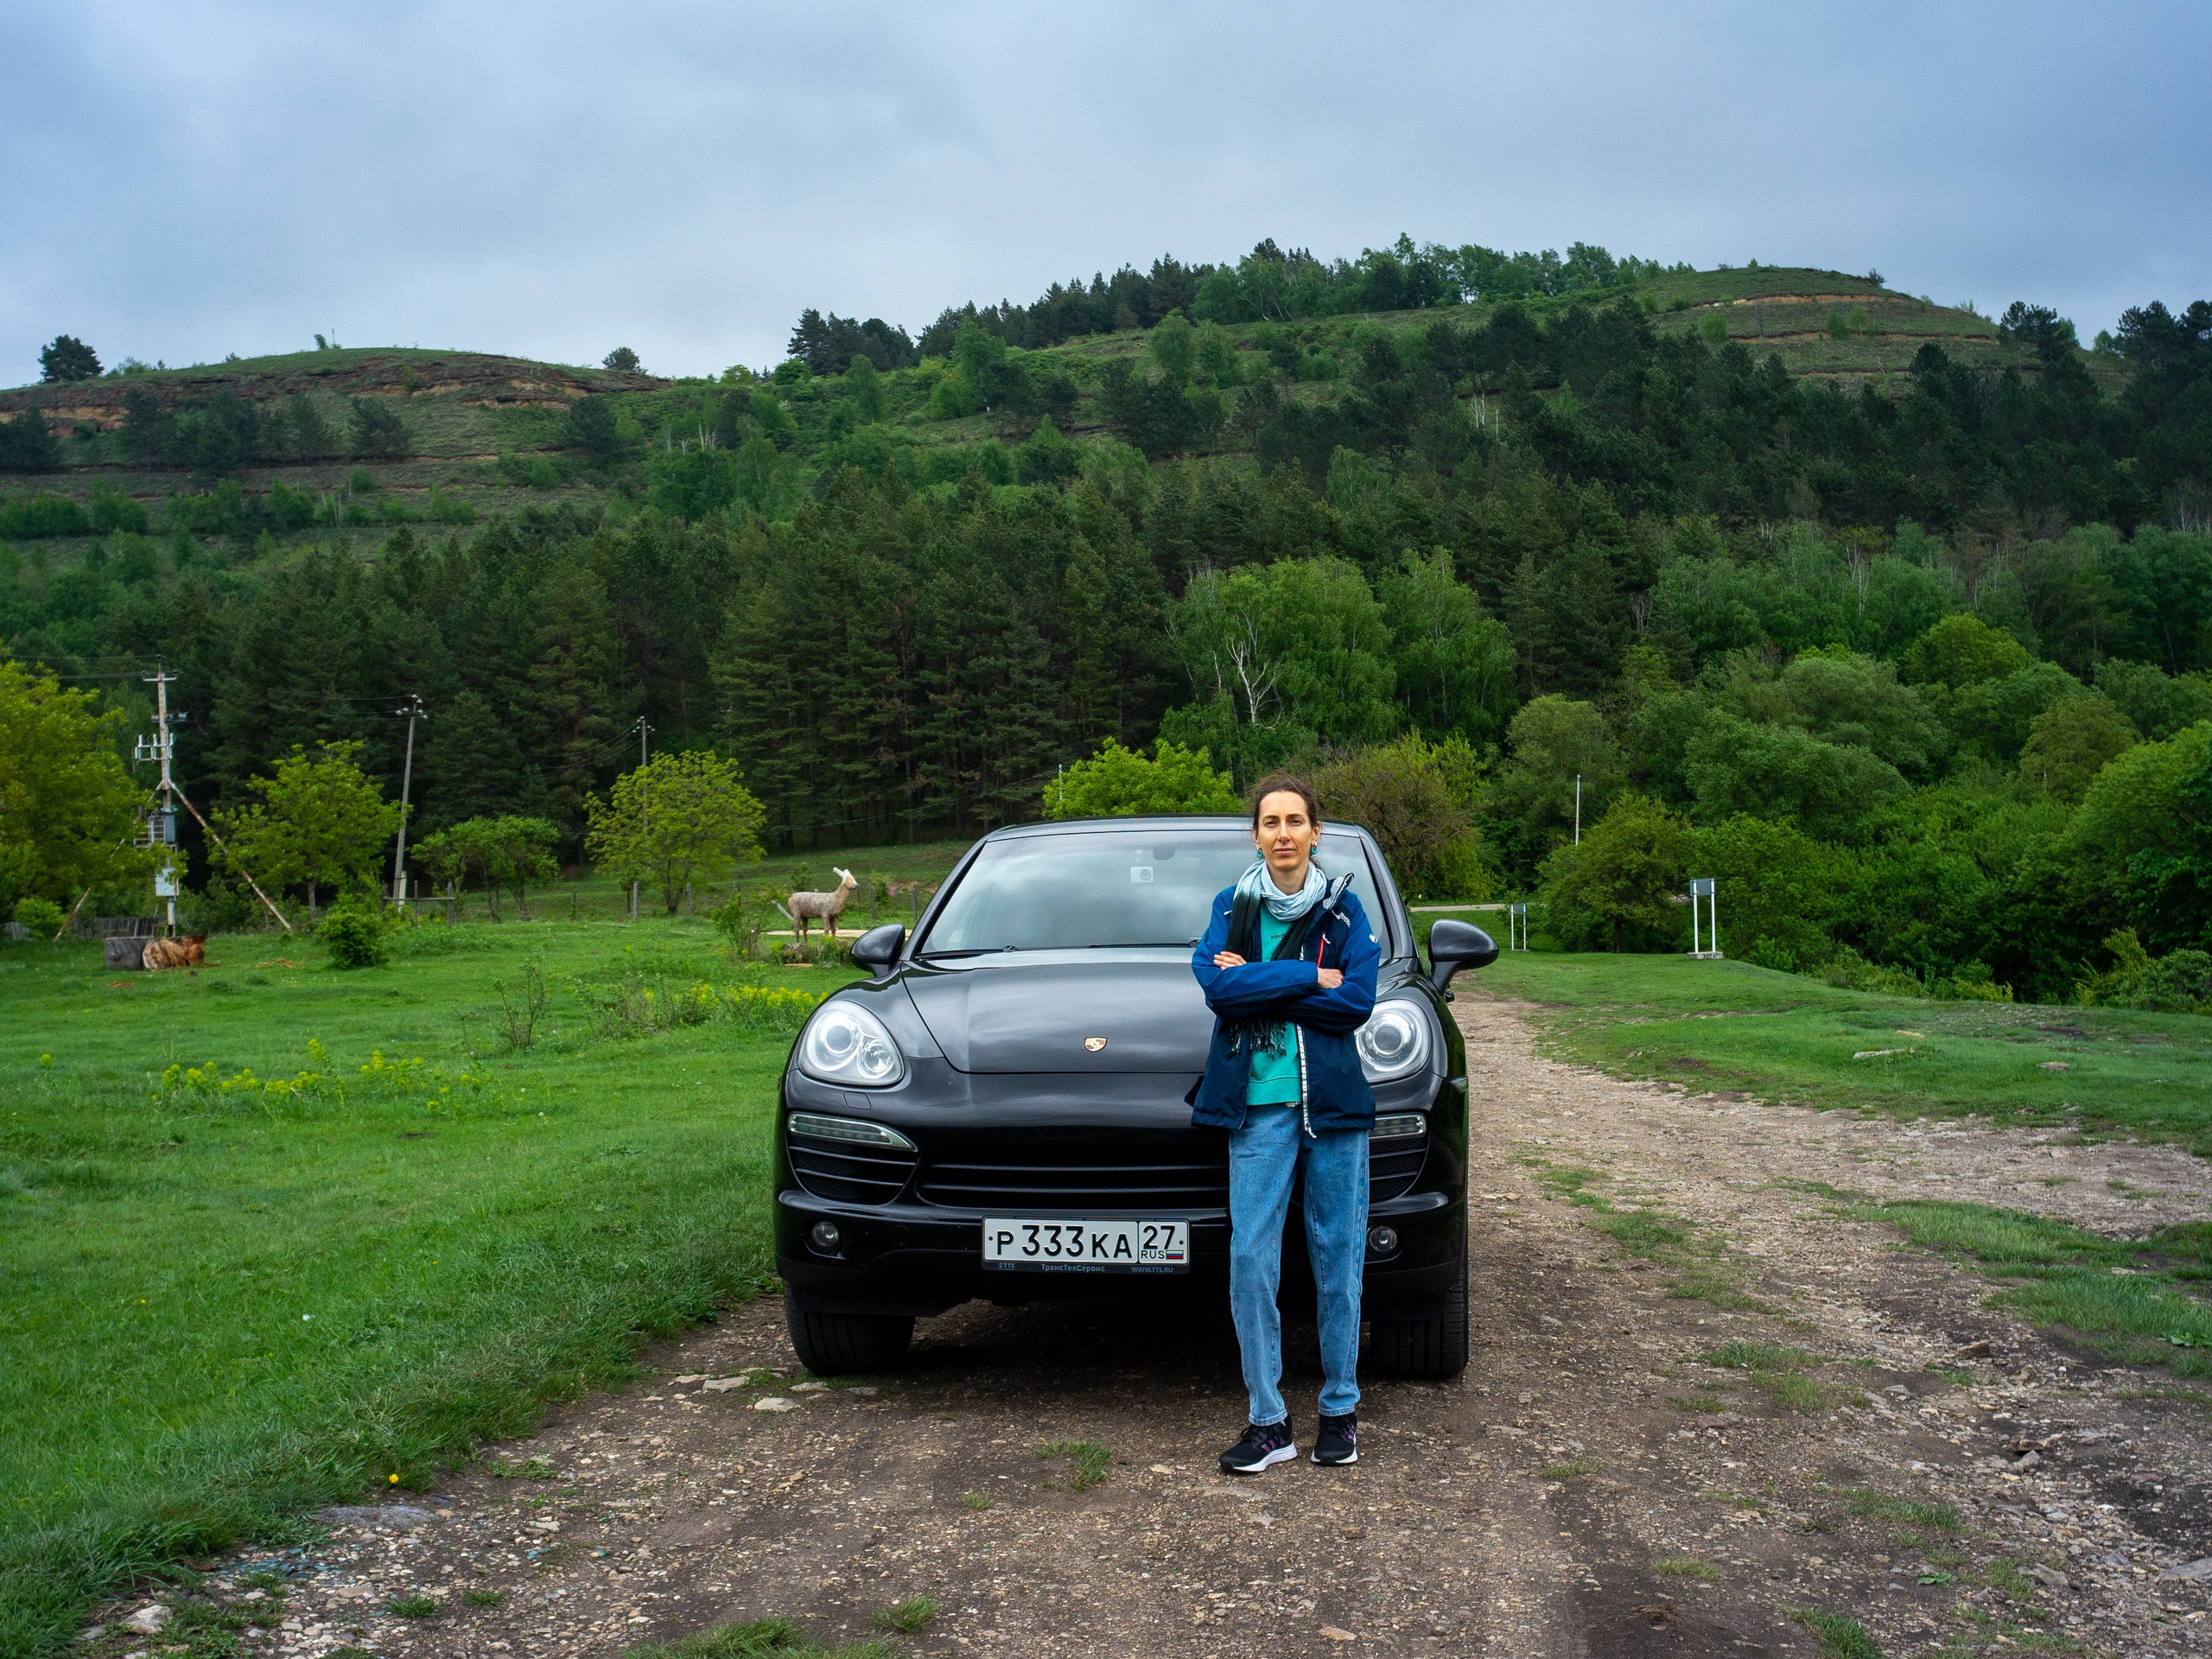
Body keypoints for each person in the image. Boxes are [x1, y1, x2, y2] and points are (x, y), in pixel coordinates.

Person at [1188, 775, 1381, 1473]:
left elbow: (1357, 1000)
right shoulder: (1229, 906)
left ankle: (1340, 1410)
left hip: (1332, 1107)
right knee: (1250, 1260)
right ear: (1256, 834)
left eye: (1295, 821)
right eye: (1270, 822)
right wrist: (1305, 977)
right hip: (1258, 1107)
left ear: (1314, 831)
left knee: (1338, 1257)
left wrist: (1261, 981)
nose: (1283, 834)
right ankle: (1268, 1421)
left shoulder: (1344, 911)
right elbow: (1217, 988)